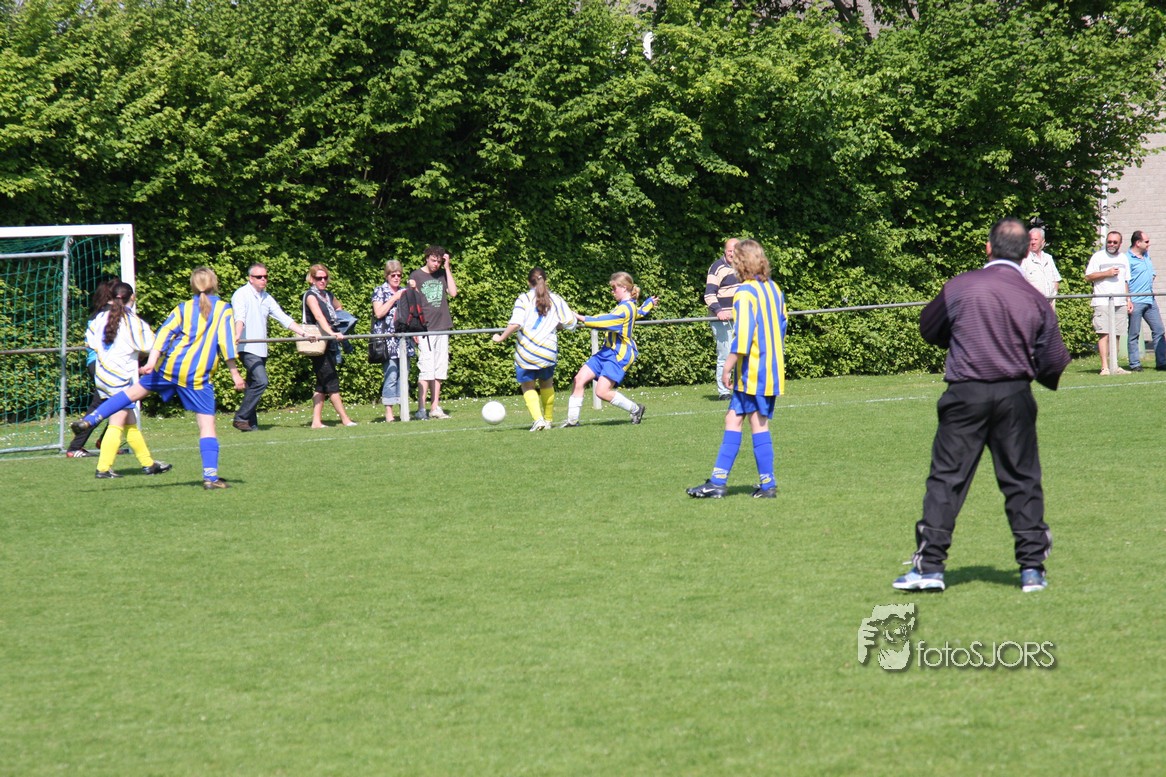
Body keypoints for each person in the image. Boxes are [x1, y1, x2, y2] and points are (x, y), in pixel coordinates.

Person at [892, 218, 1071, 593]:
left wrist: (964, 338)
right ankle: (1032, 569)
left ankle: (930, 567)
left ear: (988, 248)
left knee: (947, 479)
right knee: (1021, 479)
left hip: (965, 393)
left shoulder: (961, 285)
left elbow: (929, 328)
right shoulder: (1034, 297)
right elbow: (1053, 361)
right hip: (1014, 395)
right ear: (1025, 253)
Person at [70, 266, 246, 490]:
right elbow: (226, 343)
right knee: (207, 426)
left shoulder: (183, 308)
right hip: (197, 375)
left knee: (131, 394)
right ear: (215, 283)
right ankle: (210, 478)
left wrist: (152, 362)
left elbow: (163, 335)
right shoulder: (223, 309)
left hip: (171, 366)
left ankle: (91, 419)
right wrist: (235, 374)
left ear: (193, 285)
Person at [687, 239, 787, 499]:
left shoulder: (744, 292)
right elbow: (783, 324)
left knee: (758, 424)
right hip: (769, 368)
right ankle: (718, 482)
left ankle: (768, 485)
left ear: (741, 263)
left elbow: (743, 337)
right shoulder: (774, 288)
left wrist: (726, 368)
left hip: (753, 371)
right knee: (733, 418)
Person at [84, 282, 172, 479]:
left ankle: (148, 464)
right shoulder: (132, 321)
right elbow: (150, 345)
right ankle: (103, 468)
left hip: (103, 374)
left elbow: (90, 342)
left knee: (130, 420)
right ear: (132, 297)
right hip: (120, 377)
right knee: (117, 422)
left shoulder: (100, 318)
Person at [560, 272, 657, 427]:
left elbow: (605, 321)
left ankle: (636, 409)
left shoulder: (625, 308)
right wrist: (649, 303)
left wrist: (579, 317)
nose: (612, 292)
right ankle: (572, 421)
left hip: (619, 354)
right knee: (579, 379)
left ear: (624, 288)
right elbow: (639, 312)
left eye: (614, 288)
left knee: (601, 392)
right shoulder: (626, 306)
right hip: (606, 351)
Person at [492, 267, 577, 431]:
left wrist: (501, 338)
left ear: (528, 282)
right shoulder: (556, 299)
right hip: (548, 351)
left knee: (527, 386)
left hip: (527, 352)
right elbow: (570, 322)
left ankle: (538, 420)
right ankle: (548, 420)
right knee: (547, 383)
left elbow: (516, 323)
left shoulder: (523, 299)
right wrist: (554, 325)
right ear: (546, 280)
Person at [231, 262, 311, 431]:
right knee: (261, 381)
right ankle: (240, 417)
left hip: (261, 349)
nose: (263, 279)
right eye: (259, 276)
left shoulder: (266, 297)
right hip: (247, 348)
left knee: (253, 384)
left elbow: (283, 318)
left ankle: (250, 424)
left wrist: (304, 334)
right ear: (250, 278)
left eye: (265, 276)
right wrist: (237, 334)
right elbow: (240, 317)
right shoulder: (241, 294)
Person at [65, 278, 119, 458]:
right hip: (102, 364)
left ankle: (105, 441)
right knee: (101, 407)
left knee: (122, 404)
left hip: (98, 363)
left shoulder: (98, 314)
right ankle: (75, 447)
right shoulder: (108, 315)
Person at [302, 263, 357, 428]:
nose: (322, 281)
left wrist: (339, 320)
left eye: (325, 277)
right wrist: (332, 333)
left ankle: (316, 421)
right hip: (318, 343)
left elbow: (338, 307)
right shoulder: (310, 296)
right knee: (332, 382)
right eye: (319, 278)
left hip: (329, 344)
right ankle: (345, 419)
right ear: (312, 279)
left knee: (321, 384)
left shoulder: (328, 295)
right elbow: (319, 317)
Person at [409, 245, 458, 420]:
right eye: (433, 260)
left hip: (442, 327)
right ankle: (421, 409)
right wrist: (414, 329)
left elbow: (453, 293)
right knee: (425, 369)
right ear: (427, 258)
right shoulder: (416, 275)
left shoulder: (442, 273)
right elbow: (411, 304)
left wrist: (447, 268)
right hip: (425, 329)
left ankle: (435, 407)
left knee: (439, 369)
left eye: (438, 261)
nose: (436, 264)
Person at [371, 260, 415, 422]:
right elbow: (378, 313)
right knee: (391, 375)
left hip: (404, 340)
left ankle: (404, 410)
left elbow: (413, 312)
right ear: (387, 276)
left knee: (404, 376)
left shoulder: (405, 291)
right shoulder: (380, 291)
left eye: (399, 275)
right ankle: (389, 412)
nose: (396, 278)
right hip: (387, 341)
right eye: (393, 275)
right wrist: (394, 298)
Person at [1084, 231, 1132, 375]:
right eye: (1109, 241)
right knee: (1104, 333)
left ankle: (1114, 365)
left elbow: (1125, 281)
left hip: (1120, 301)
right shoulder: (1098, 257)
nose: (1111, 244)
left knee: (1117, 334)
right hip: (1102, 301)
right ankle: (1104, 367)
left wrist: (1128, 299)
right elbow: (1088, 277)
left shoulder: (1123, 258)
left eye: (1114, 242)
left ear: (1120, 244)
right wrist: (1106, 273)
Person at [704, 238, 740, 399]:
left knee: (742, 354)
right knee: (725, 354)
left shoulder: (743, 267)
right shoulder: (717, 268)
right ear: (725, 251)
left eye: (735, 250)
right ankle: (724, 392)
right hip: (722, 320)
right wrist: (718, 311)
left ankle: (740, 388)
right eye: (730, 250)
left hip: (740, 318)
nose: (732, 254)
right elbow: (709, 294)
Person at [1125, 231, 1163, 372]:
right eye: (1146, 241)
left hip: (1150, 300)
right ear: (1138, 243)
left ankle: (1162, 362)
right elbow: (1125, 281)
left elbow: (1152, 273)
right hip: (1136, 301)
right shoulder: (1126, 259)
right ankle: (1135, 364)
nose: (1149, 244)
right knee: (1134, 333)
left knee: (1159, 330)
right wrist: (1128, 299)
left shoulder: (1146, 255)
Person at [1020, 227, 1062, 307]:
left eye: (1035, 239)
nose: (1033, 242)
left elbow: (1056, 280)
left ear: (1043, 241)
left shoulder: (1048, 258)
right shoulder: (1024, 259)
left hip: (1050, 304)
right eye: (1031, 239)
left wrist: (1053, 297)